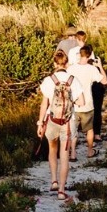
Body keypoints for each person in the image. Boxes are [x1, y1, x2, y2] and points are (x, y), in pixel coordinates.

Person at [34, 50, 82, 203]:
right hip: (68, 122)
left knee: (52, 150)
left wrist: (40, 123)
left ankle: (53, 181)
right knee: (65, 156)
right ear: (66, 63)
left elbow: (44, 104)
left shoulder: (49, 80)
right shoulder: (73, 80)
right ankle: (62, 190)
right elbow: (81, 102)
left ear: (54, 63)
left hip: (52, 121)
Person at [69, 46, 107, 157]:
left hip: (74, 104)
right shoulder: (92, 69)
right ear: (90, 55)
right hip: (87, 103)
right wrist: (100, 66)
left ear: (79, 54)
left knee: (73, 130)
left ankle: (73, 154)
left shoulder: (71, 69)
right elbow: (105, 81)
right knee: (89, 129)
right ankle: (90, 151)